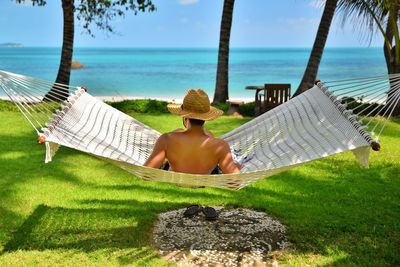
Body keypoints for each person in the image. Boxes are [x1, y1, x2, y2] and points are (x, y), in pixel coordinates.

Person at [144, 89, 241, 174]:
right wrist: (237, 168)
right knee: (207, 134)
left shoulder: (166, 139)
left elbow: (147, 172)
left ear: (185, 117)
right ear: (206, 118)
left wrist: (166, 157)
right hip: (206, 177)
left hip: (176, 176)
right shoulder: (220, 146)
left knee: (180, 131)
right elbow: (234, 181)